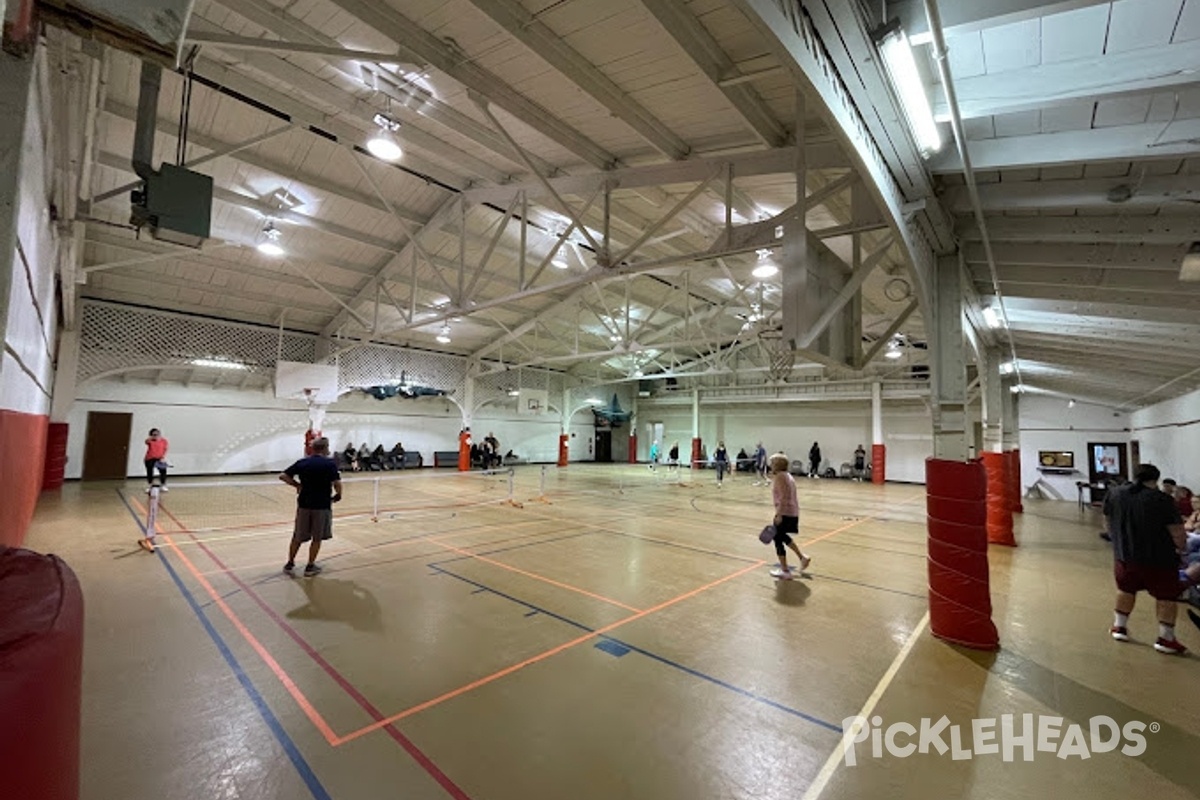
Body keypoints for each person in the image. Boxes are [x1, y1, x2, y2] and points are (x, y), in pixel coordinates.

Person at [1107, 463, 1189, 655]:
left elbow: (1108, 522)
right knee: (1166, 597)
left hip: (1124, 557)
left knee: (1125, 590)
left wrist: (1118, 543)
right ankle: (1166, 639)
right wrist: (1182, 550)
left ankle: (1119, 627)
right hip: (1159, 559)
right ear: (1156, 479)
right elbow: (1177, 531)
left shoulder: (1115, 494)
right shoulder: (1162, 500)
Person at [279, 437, 342, 577]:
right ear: (326, 448)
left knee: (298, 536)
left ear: (313, 448)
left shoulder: (303, 462)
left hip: (304, 505)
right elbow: (337, 483)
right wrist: (339, 495)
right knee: (317, 537)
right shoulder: (330, 464)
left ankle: (290, 563)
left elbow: (283, 476)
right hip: (322, 505)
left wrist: (297, 485)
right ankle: (310, 566)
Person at [768, 452, 811, 579]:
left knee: (777, 538)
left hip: (785, 512)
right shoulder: (787, 476)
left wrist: (778, 514)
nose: (770, 465)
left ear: (777, 464)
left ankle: (785, 571)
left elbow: (783, 497)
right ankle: (802, 557)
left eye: (772, 463)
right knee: (781, 536)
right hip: (792, 512)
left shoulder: (780, 477)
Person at [143, 428, 169, 493]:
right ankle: (150, 485)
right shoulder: (150, 441)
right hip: (150, 458)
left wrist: (162, 458)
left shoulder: (164, 441)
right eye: (154, 434)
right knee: (150, 472)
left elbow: (164, 449)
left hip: (159, 458)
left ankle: (163, 485)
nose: (155, 436)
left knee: (163, 470)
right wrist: (151, 437)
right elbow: (146, 441)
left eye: (157, 434)